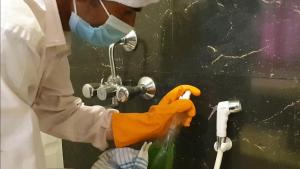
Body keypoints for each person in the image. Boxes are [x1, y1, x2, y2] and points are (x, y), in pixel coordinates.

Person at [0, 0, 201, 169]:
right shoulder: (14, 30)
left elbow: (59, 111)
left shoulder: (52, 33)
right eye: (127, 12)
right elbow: (11, 149)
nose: (131, 24)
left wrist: (149, 122)